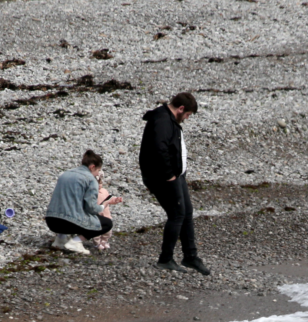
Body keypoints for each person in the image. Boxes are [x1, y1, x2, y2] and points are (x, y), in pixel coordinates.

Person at [138, 92, 210, 274]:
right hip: (162, 177)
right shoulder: (162, 120)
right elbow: (158, 148)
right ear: (181, 109)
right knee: (177, 214)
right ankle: (165, 259)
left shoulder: (168, 118)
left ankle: (190, 257)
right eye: (188, 115)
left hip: (176, 175)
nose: (187, 118)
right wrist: (169, 174)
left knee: (186, 212)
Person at [45, 149, 121, 255]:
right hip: (68, 223)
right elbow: (91, 208)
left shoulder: (65, 174)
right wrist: (104, 205)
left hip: (51, 221)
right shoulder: (90, 179)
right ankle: (75, 242)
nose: (98, 174)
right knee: (107, 223)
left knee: (67, 208)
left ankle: (60, 239)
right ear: (92, 167)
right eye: (98, 170)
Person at [94, 171, 118, 250]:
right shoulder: (91, 193)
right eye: (97, 183)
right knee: (97, 231)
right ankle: (97, 243)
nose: (99, 185)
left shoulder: (104, 191)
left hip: (106, 214)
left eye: (100, 183)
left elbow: (109, 199)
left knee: (108, 231)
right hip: (97, 216)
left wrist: (116, 200)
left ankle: (104, 241)